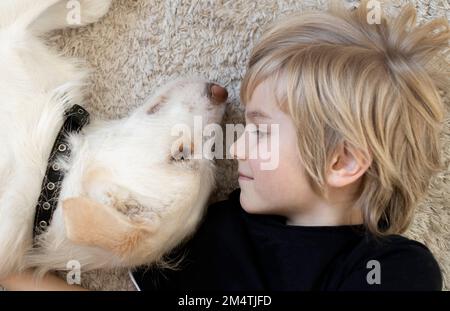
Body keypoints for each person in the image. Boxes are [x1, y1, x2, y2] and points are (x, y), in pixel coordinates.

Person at [1, 1, 446, 291]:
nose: (233, 148)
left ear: (342, 160)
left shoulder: (389, 267)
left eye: (261, 130)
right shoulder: (211, 229)